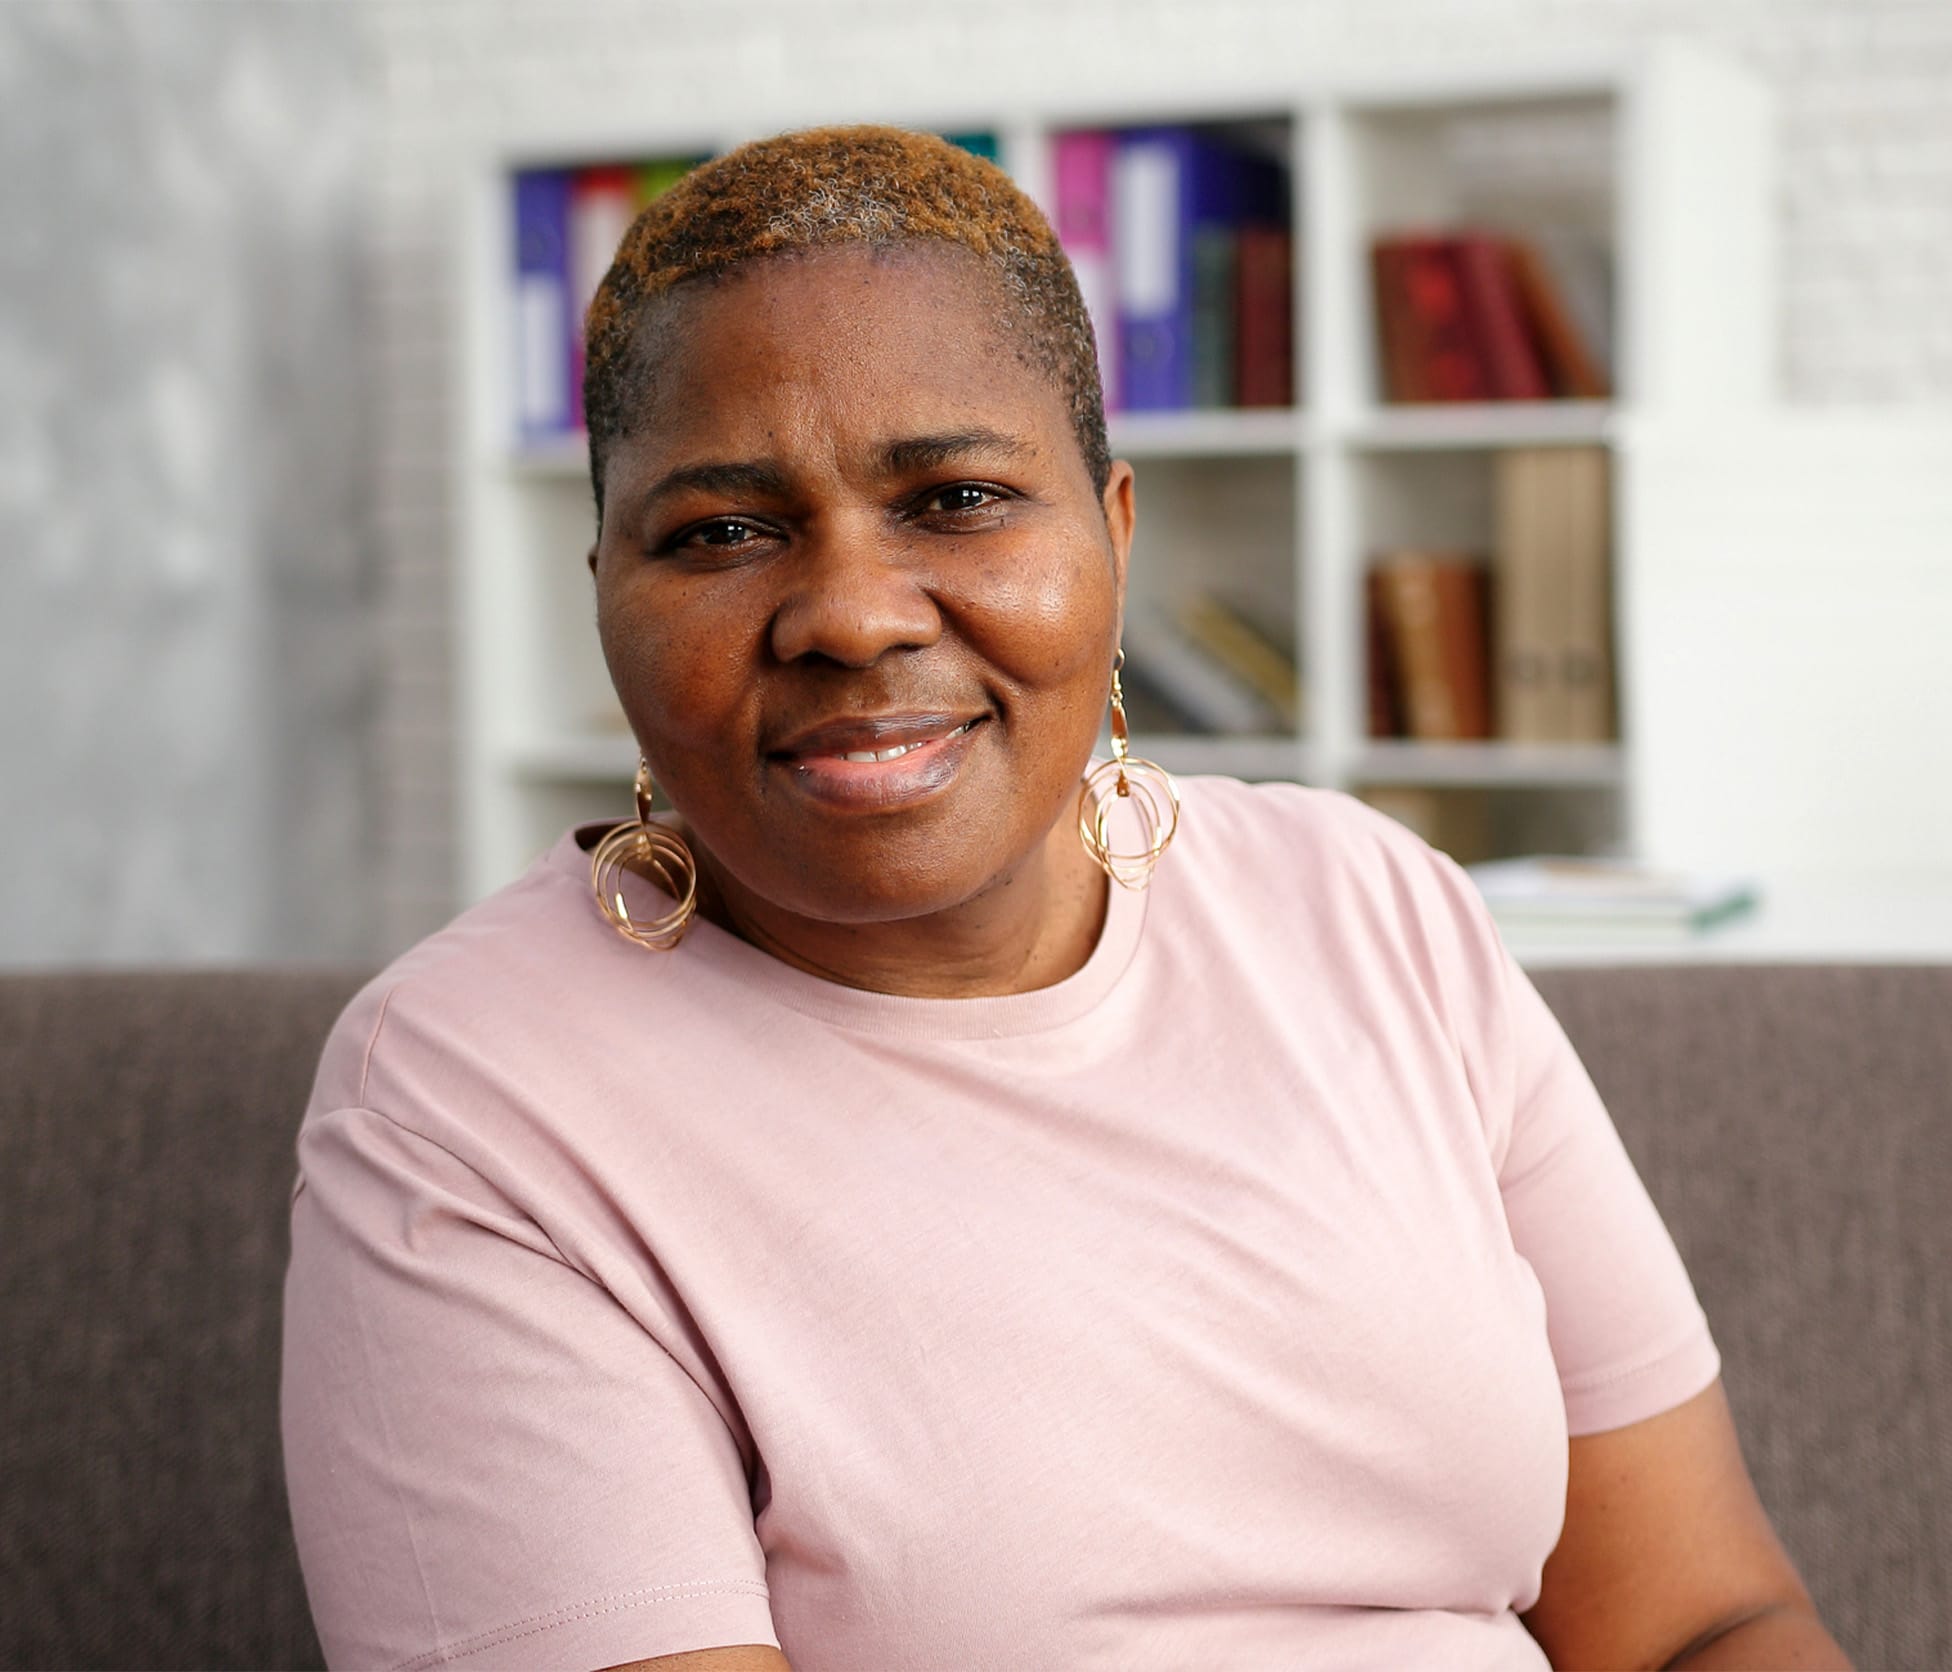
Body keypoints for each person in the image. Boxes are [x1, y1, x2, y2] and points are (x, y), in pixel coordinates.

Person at [281, 126, 1847, 1672]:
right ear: (606, 593)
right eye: (722, 533)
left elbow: (1701, 1621)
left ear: (1111, 531)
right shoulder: (467, 1103)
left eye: (955, 499)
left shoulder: (1372, 908)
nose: (849, 616)